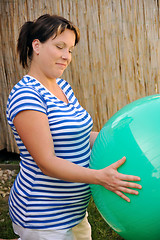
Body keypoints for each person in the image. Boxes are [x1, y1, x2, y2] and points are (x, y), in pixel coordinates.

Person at [6, 14, 142, 240]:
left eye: (70, 49)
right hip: (44, 217)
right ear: (36, 46)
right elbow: (47, 163)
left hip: (74, 212)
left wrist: (121, 141)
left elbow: (80, 134)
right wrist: (100, 177)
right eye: (59, 47)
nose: (66, 56)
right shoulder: (26, 96)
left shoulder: (62, 87)